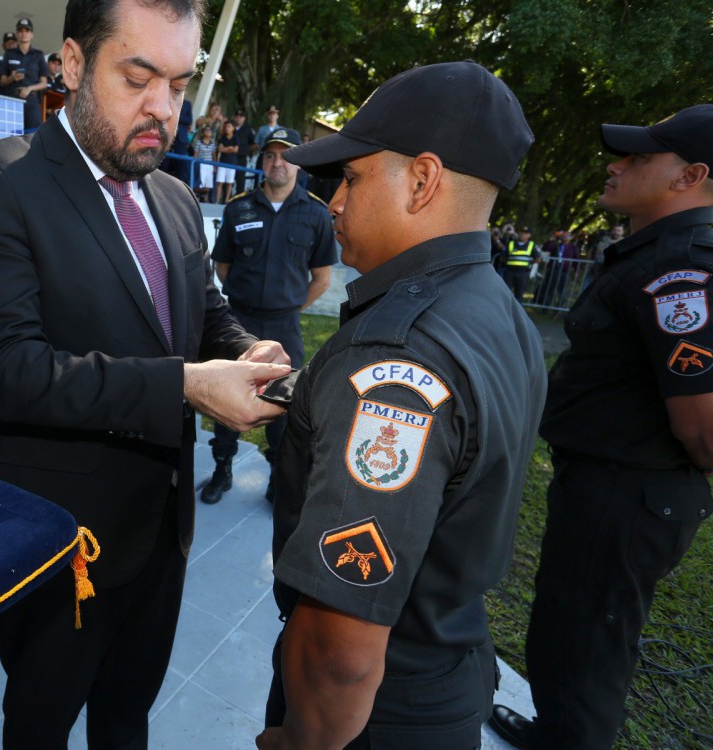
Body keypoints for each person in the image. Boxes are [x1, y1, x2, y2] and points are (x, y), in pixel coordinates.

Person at [0, 0, 293, 745]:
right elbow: (7, 370)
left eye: (179, 82)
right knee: (40, 724)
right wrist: (187, 386)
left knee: (126, 721)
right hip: (61, 540)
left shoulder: (173, 194)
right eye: (138, 78)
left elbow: (202, 317)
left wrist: (245, 351)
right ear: (71, 65)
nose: (162, 108)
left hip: (163, 528)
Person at [258, 60, 545, 750]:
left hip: (374, 714)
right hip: (445, 674)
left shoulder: (396, 362)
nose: (332, 201)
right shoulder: (499, 311)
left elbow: (341, 648)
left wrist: (300, 742)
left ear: (422, 180)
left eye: (352, 178)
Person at [489, 104, 713, 750]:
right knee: (566, 639)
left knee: (587, 656)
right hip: (605, 487)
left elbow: (703, 429)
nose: (616, 165)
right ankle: (554, 735)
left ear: (691, 175)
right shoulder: (652, 254)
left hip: (627, 500)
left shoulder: (682, 271)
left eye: (639, 158)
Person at [200, 127, 336, 505]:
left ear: (298, 163)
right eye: (270, 155)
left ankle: (278, 476)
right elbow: (222, 265)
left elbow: (322, 278)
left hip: (285, 325)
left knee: (284, 406)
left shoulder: (316, 214)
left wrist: (288, 305)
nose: (278, 162)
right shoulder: (238, 207)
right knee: (226, 396)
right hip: (237, 321)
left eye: (286, 156)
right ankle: (221, 469)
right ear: (262, 162)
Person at [0, 17, 49, 131]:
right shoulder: (9, 54)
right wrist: (12, 78)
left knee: (32, 137)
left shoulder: (38, 55)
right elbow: (2, 81)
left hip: (32, 101)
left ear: (32, 34)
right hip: (12, 100)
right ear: (17, 34)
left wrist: (29, 88)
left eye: (27, 30)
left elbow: (44, 83)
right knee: (11, 136)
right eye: (20, 30)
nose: (23, 33)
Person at [502, 226, 539, 302]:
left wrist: (528, 263)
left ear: (529, 235)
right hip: (509, 272)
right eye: (522, 232)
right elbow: (502, 258)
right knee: (505, 293)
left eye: (526, 233)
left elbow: (538, 259)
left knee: (519, 295)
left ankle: (516, 313)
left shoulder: (531, 245)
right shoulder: (511, 243)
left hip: (523, 273)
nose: (523, 234)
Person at [232, 109, 255, 194]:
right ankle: (224, 199)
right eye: (237, 116)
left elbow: (253, 143)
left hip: (241, 158)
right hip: (230, 157)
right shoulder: (230, 127)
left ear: (244, 118)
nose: (238, 118)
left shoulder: (248, 129)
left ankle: (239, 198)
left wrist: (247, 150)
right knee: (228, 180)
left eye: (241, 117)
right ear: (234, 118)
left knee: (240, 180)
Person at [215, 119, 239, 204]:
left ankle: (226, 200)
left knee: (229, 183)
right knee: (219, 182)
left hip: (232, 163)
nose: (227, 128)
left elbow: (236, 150)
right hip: (223, 162)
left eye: (229, 126)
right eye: (226, 127)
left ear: (233, 128)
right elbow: (220, 149)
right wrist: (229, 148)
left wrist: (226, 149)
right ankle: (217, 200)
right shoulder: (222, 138)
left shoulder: (236, 138)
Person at [191, 124, 216, 202]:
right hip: (201, 164)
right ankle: (197, 198)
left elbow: (214, 155)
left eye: (210, 130)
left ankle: (206, 198)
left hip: (210, 165)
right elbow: (196, 154)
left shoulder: (212, 144)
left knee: (208, 183)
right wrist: (195, 163)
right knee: (201, 183)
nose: (209, 132)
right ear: (202, 133)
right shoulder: (199, 142)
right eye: (206, 130)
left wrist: (215, 166)